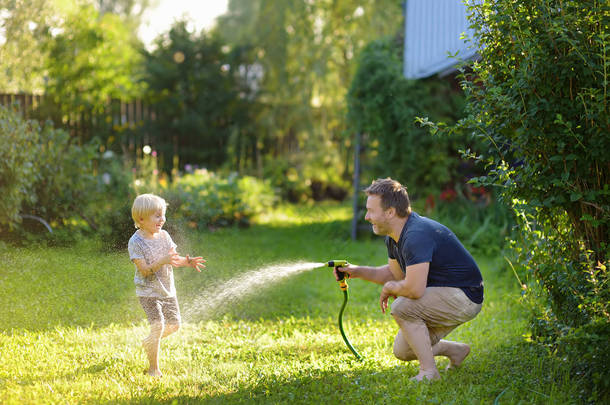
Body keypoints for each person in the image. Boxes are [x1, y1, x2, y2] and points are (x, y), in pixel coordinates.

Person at [335, 178, 483, 381]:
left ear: (390, 212)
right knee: (403, 350)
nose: (367, 217)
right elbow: (394, 274)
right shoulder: (394, 237)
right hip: (446, 294)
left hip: (465, 295)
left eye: (371, 211)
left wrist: (390, 288)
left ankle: (429, 372)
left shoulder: (415, 235)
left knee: (402, 307)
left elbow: (414, 290)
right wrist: (356, 271)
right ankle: (456, 351)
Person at [128, 193, 206, 377]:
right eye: (157, 215)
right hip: (148, 292)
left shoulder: (164, 236)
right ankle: (153, 369)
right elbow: (145, 270)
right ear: (141, 219)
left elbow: (173, 259)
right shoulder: (136, 242)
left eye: (163, 214)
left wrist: (187, 261)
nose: (162, 219)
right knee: (158, 326)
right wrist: (162, 260)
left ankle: (150, 342)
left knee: (175, 325)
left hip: (167, 291)